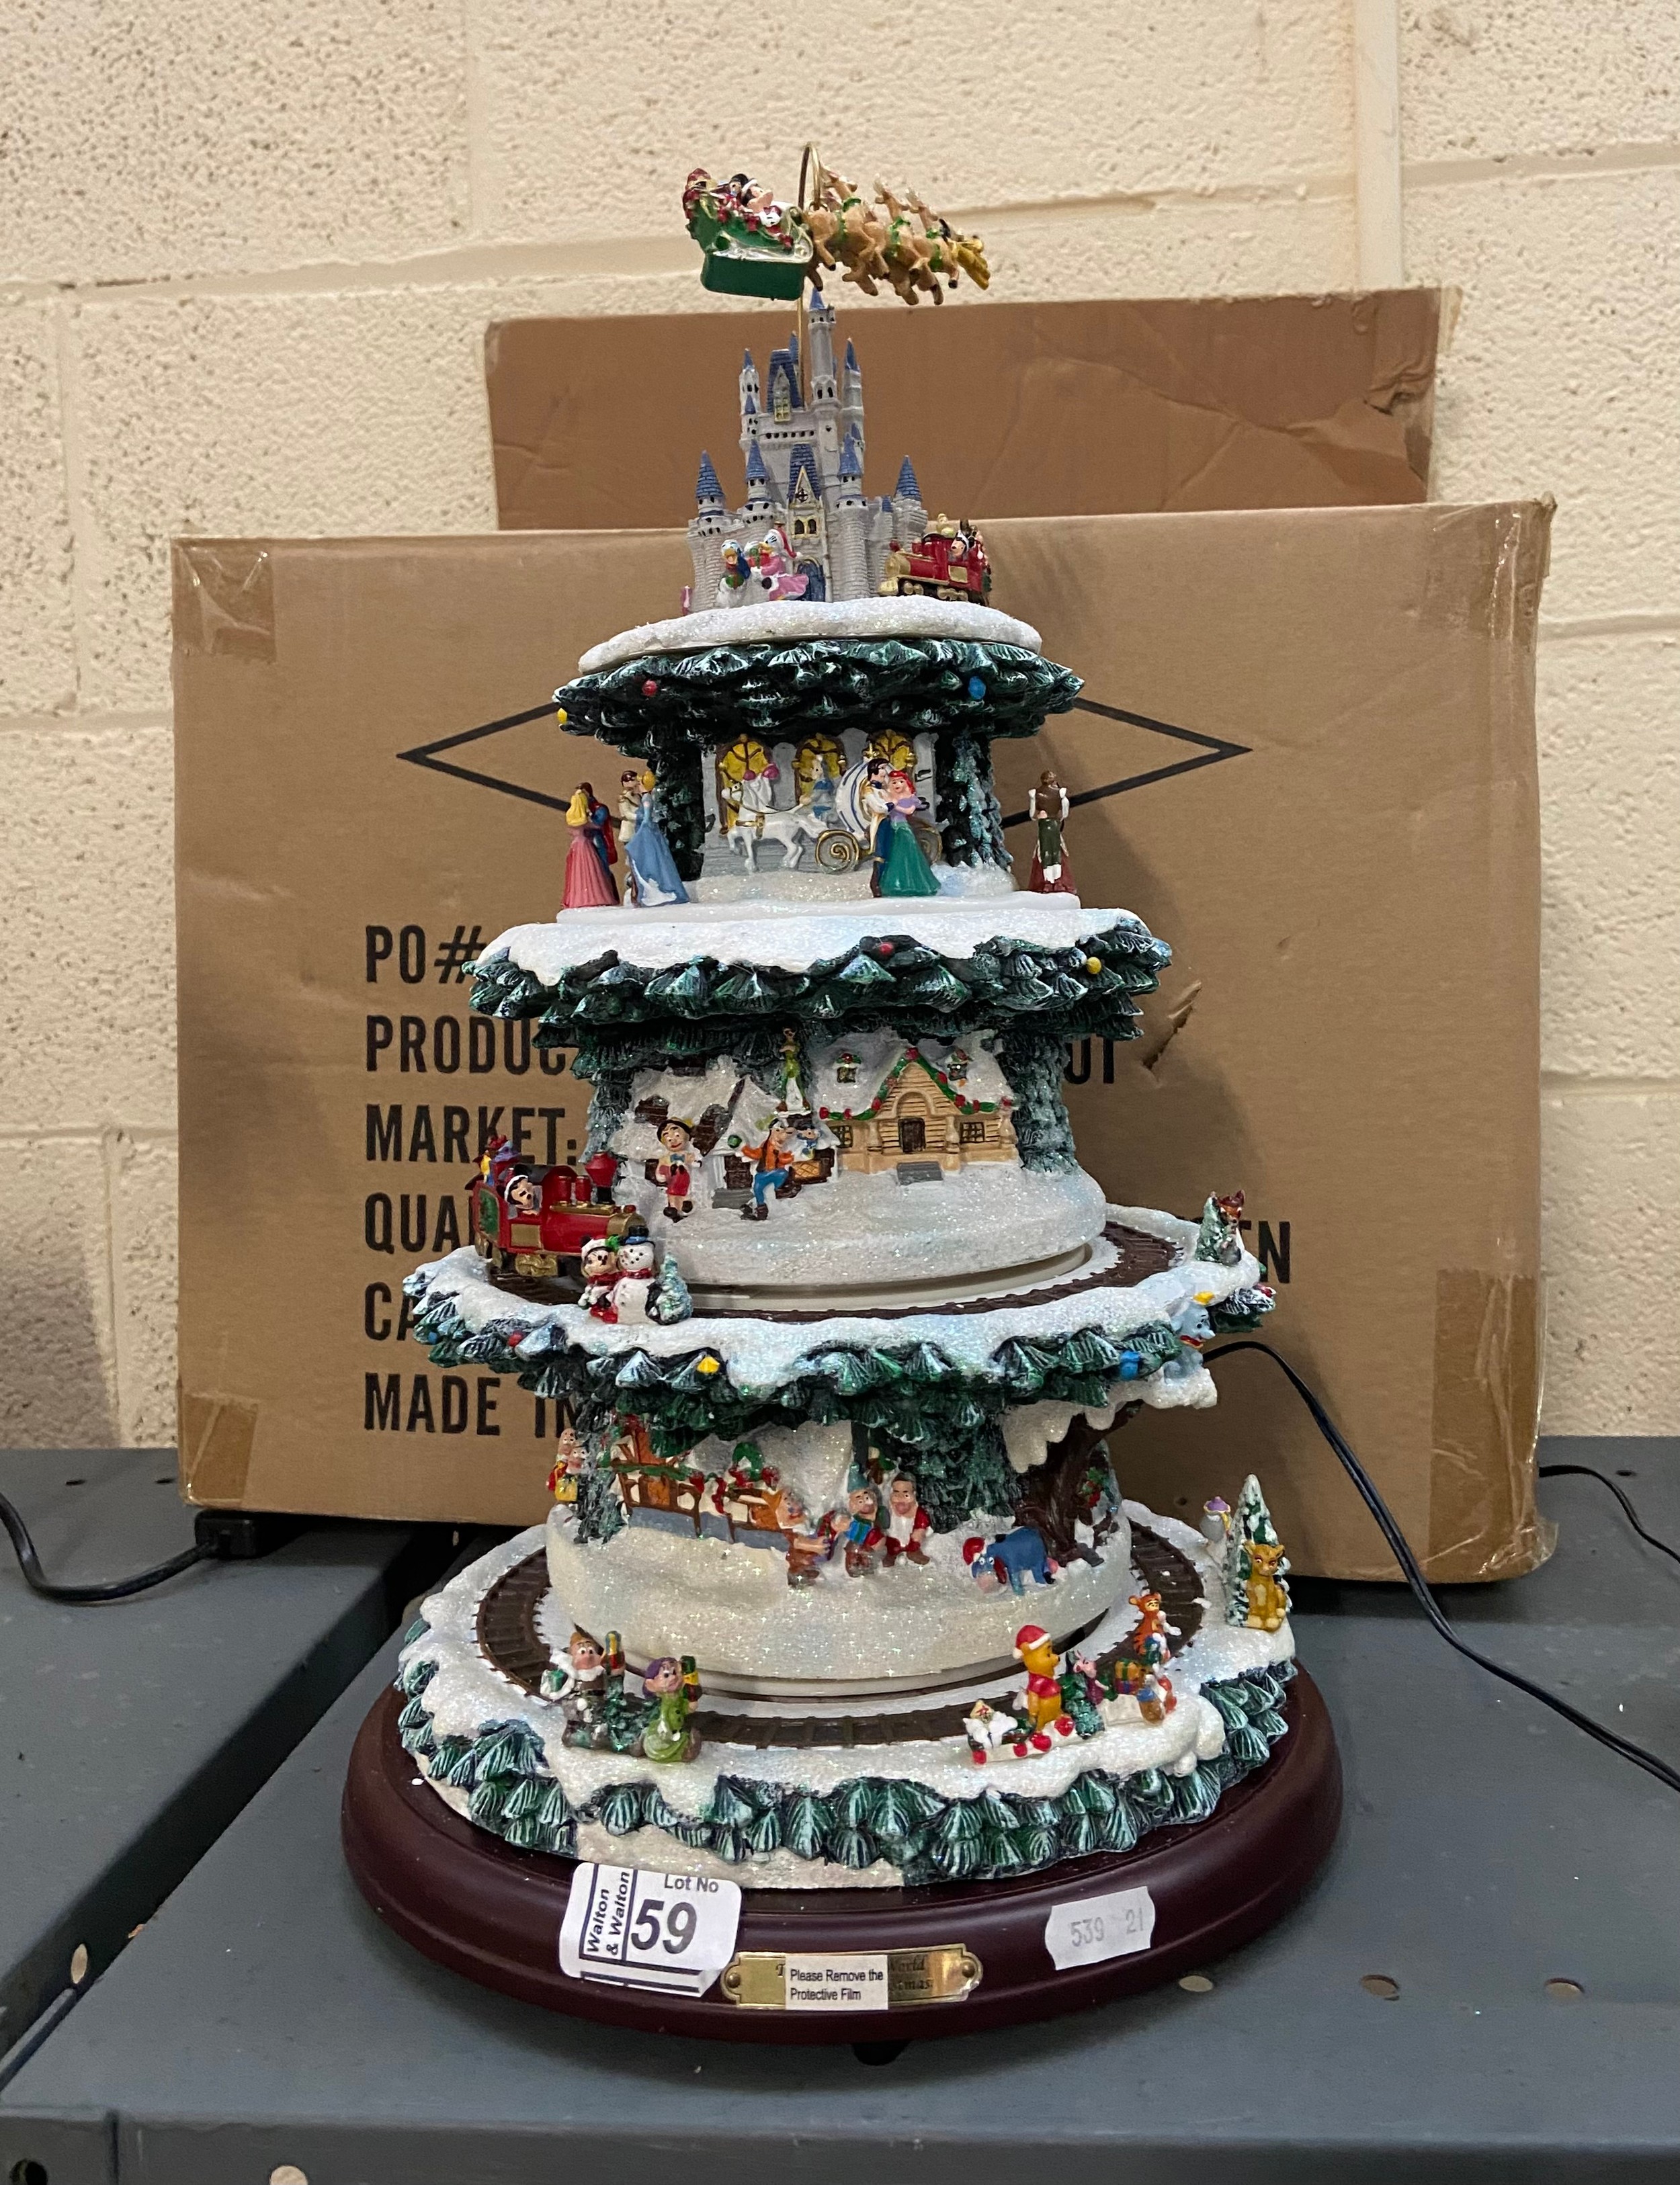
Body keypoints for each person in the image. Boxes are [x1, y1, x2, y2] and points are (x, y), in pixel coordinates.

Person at [624, 771, 689, 907]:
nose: (637, 786)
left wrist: (639, 836)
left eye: (640, 783)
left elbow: (647, 819)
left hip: (647, 834)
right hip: (647, 832)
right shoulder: (645, 798)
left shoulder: (646, 799)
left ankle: (657, 892)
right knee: (650, 861)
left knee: (651, 861)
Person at [876, 768, 939, 897]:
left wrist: (895, 806)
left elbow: (910, 811)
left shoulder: (909, 798)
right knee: (894, 856)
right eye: (894, 782)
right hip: (892, 828)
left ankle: (914, 884)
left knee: (907, 856)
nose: (897, 785)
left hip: (903, 828)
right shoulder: (889, 797)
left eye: (900, 782)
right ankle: (895, 884)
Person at [562, 782, 618, 908]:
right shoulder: (578, 811)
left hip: (595, 839)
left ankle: (606, 891)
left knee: (601, 865)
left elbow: (598, 824)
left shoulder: (599, 808)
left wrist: (588, 817)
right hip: (585, 840)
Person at [639, 1656, 702, 1764]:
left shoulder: (679, 1697)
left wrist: (692, 1699)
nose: (673, 1677)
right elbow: (660, 1717)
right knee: (659, 1743)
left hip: (676, 1732)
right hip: (661, 1734)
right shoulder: (659, 1702)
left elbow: (689, 1708)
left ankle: (684, 1750)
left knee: (685, 1738)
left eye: (675, 1672)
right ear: (650, 1685)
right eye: (666, 1675)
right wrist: (664, 1727)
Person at [1028, 769, 1074, 894]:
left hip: (1045, 826)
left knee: (1046, 852)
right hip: (1053, 826)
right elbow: (1064, 813)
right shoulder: (1060, 794)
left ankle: (1049, 881)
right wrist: (1059, 817)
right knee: (1055, 852)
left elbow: (1032, 815)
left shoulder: (1035, 794)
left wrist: (1039, 814)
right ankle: (1056, 881)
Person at [743, 1117, 794, 1222]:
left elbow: (783, 1159)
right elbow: (756, 1154)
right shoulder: (766, 1146)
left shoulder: (781, 1148)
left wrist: (791, 1156)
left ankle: (780, 1192)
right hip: (764, 1173)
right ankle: (761, 1209)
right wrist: (744, 1148)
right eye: (778, 1131)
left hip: (776, 1172)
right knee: (757, 1189)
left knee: (783, 1174)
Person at [882, 1473, 932, 1568]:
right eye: (896, 1492)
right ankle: (891, 1555)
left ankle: (913, 1552)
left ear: (914, 1493)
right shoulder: (890, 1507)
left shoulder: (917, 1510)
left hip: (911, 1539)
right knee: (892, 1546)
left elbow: (923, 1521)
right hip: (894, 1538)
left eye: (905, 1493)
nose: (900, 1498)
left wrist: (920, 1530)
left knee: (914, 1542)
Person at [655, 1119, 694, 1221]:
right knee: (672, 1194)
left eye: (677, 1136)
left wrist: (693, 1161)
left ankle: (685, 1205)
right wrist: (660, 1174)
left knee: (685, 1193)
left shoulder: (686, 1154)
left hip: (684, 1178)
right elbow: (661, 1167)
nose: (673, 1141)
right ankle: (673, 1208)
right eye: (669, 1140)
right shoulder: (666, 1158)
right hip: (672, 1180)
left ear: (687, 1136)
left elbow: (693, 1161)